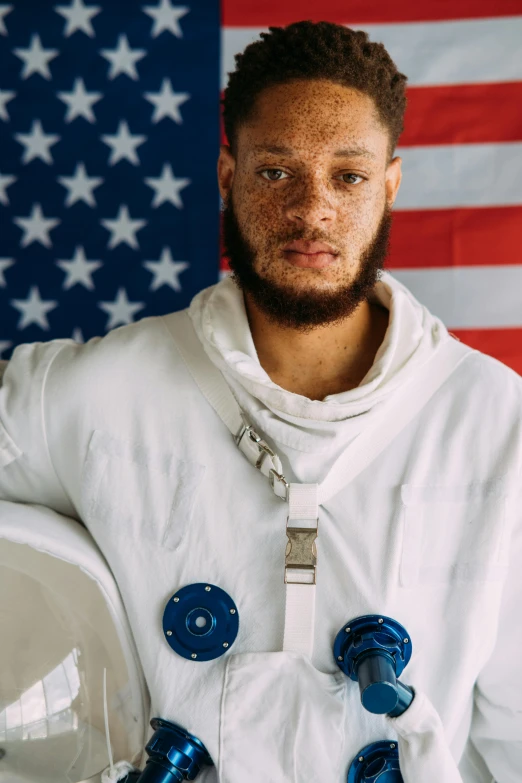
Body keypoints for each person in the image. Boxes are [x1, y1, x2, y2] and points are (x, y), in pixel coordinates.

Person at [0, 20, 521, 783]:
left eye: (347, 175)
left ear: (390, 184)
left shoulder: (491, 422)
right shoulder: (105, 391)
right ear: (227, 174)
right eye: (278, 172)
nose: (313, 212)